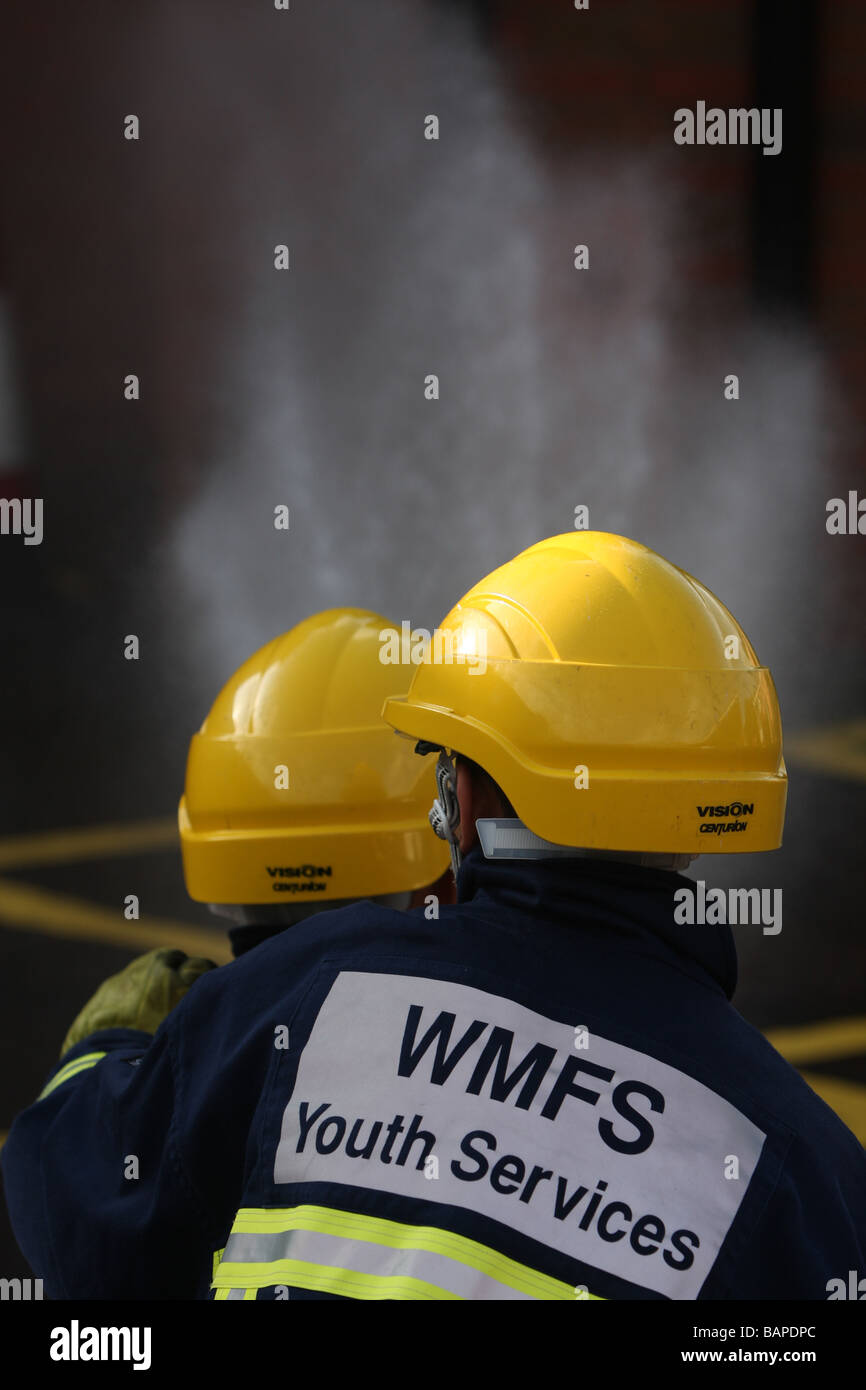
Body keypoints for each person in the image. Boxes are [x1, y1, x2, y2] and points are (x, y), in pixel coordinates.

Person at [4, 536, 864, 1300]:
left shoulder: (306, 988)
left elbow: (85, 1218)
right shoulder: (805, 1173)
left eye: (445, 764)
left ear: (474, 789)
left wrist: (103, 1056)